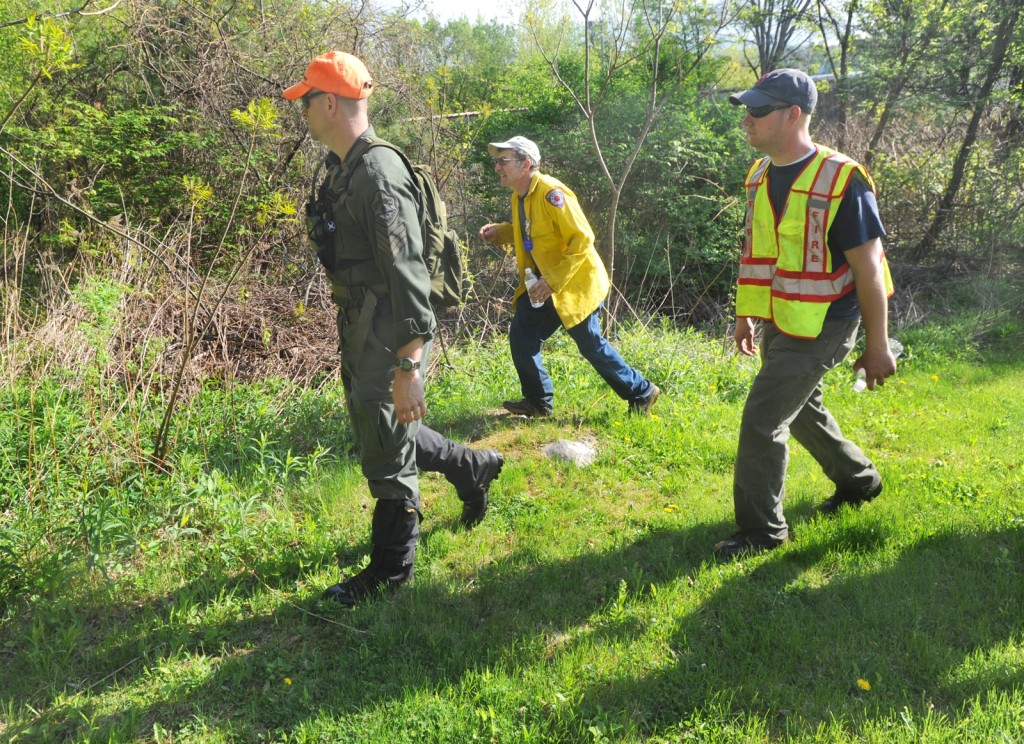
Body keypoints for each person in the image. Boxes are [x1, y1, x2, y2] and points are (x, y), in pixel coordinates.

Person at [284, 51, 503, 605]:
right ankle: (471, 467)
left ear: (330, 103)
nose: (302, 110)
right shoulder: (346, 167)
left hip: (389, 326)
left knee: (384, 442)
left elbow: (408, 271)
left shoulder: (379, 174)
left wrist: (410, 363)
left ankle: (392, 569)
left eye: (307, 100)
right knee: (381, 426)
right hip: (362, 321)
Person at [714, 69, 897, 560]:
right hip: (781, 316)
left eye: (757, 111)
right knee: (800, 411)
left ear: (793, 115)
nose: (746, 120)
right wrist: (745, 315)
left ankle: (761, 532)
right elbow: (757, 252)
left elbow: (870, 270)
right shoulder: (759, 174)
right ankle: (860, 481)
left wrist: (876, 345)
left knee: (761, 420)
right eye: (746, 110)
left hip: (829, 322)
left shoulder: (843, 179)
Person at [478, 136, 660, 418]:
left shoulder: (553, 193)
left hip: (574, 284)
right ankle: (538, 401)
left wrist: (552, 280)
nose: (497, 167)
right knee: (522, 335)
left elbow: (582, 239)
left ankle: (642, 391)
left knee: (591, 345)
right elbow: (527, 232)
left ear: (526, 164)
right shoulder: (520, 196)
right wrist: (500, 232)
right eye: (497, 161)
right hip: (543, 285)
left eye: (503, 161)